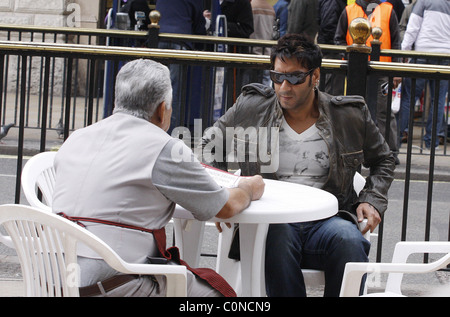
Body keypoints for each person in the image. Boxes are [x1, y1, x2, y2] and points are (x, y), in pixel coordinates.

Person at [201, 34, 396, 296]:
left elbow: (384, 158)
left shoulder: (348, 115)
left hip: (328, 219)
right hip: (272, 221)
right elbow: (209, 145)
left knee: (350, 241)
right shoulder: (252, 107)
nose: (283, 86)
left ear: (315, 77)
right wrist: (222, 195)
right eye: (277, 76)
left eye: (294, 78)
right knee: (276, 237)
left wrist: (371, 200)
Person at [52, 59, 265, 297]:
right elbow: (225, 207)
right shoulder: (163, 147)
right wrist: (248, 188)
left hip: (53, 276)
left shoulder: (76, 138)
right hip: (114, 282)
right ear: (162, 109)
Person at [335, 0, 401, 164]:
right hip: (356, 72)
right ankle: (352, 149)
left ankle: (390, 151)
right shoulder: (349, 10)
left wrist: (397, 71)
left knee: (384, 110)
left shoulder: (388, 10)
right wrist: (350, 58)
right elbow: (338, 40)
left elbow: (396, 43)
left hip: (382, 72)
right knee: (354, 110)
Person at [399, 0, 450, 150]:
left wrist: (404, 53)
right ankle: (431, 143)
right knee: (438, 100)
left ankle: (396, 139)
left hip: (422, 54)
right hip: (445, 57)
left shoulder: (423, 2)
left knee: (409, 98)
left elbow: (412, 28)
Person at [156, 0, 209, 133]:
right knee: (175, 92)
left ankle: (155, 128)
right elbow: (199, 27)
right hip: (180, 42)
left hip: (159, 40)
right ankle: (171, 132)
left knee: (158, 89)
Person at [317, 0, 347, 95]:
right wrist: (336, 46)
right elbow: (328, 25)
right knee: (331, 89)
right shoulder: (333, 2)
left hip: (331, 48)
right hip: (332, 50)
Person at [249, 0, 276, 85]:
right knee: (265, 81)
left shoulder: (251, 6)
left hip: (253, 50)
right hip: (267, 50)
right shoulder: (271, 8)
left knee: (251, 81)